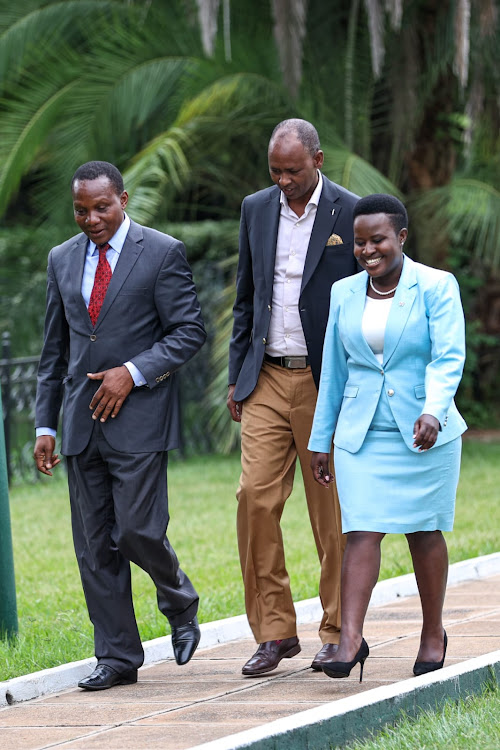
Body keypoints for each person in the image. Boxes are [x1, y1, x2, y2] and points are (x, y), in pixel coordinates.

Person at [34, 161, 206, 691]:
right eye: (81, 210)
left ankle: (179, 599)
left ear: (124, 199)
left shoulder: (161, 252)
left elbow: (189, 330)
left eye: (101, 207)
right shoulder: (61, 259)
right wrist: (45, 425)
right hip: (80, 422)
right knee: (94, 546)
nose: (91, 219)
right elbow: (52, 351)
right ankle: (116, 656)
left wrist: (131, 374)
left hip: (140, 420)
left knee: (136, 531)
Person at [309, 193, 467, 682]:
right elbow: (334, 370)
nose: (367, 250)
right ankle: (350, 639)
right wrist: (321, 437)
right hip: (361, 435)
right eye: (359, 242)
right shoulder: (344, 292)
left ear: (400, 236)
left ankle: (433, 632)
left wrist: (433, 412)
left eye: (377, 240)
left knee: (423, 532)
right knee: (360, 531)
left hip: (424, 432)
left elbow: (448, 357)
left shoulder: (438, 286)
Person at [227, 119, 360, 676]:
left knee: (329, 513)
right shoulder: (256, 208)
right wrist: (238, 374)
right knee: (254, 499)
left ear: (319, 160)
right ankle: (275, 632)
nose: (284, 181)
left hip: (325, 381)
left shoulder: (351, 212)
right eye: (276, 171)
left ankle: (337, 632)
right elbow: (245, 295)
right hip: (266, 377)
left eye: (294, 171)